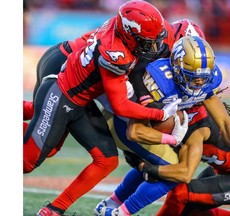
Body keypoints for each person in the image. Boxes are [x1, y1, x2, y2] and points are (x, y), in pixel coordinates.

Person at [24, 1, 181, 216]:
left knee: (106, 160)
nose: (152, 46)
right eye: (146, 41)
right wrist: (160, 113)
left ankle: (54, 210)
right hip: (61, 94)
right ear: (129, 34)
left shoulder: (122, 30)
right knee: (27, 161)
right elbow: (120, 106)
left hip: (79, 101)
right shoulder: (114, 52)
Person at [94, 35, 230, 216]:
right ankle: (114, 202)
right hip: (222, 167)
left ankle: (121, 212)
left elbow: (184, 173)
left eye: (202, 79)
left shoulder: (198, 130)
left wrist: (146, 168)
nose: (198, 84)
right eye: (193, 78)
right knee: (191, 209)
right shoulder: (181, 98)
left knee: (180, 192)